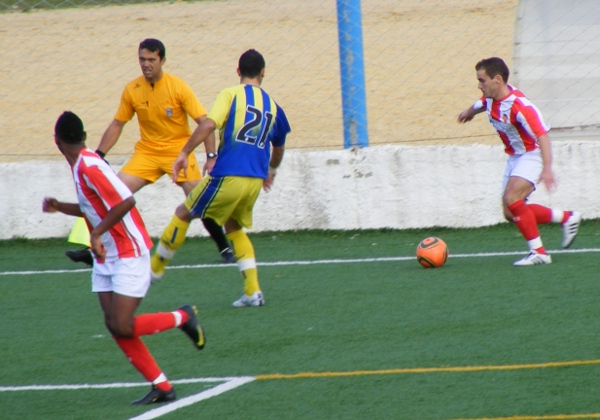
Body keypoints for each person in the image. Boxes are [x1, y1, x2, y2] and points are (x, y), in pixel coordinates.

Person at [43, 111, 206, 405]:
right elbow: (92, 207)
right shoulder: (81, 165)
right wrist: (60, 206)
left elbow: (126, 201)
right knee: (113, 324)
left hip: (128, 251)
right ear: (84, 136)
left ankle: (183, 317)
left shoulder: (90, 166)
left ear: (57, 141)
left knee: (122, 324)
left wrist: (96, 234)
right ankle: (162, 386)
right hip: (107, 255)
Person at [65, 38, 235, 267]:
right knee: (110, 194)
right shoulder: (132, 89)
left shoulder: (178, 87)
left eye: (151, 60)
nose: (146, 64)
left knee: (199, 200)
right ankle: (92, 248)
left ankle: (224, 247)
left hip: (178, 152)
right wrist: (100, 154)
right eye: (142, 59)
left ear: (162, 60)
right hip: (147, 153)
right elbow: (118, 123)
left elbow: (205, 122)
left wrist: (211, 157)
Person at [150, 49, 291, 306]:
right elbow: (279, 147)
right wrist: (271, 171)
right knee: (233, 227)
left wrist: (184, 153)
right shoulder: (274, 106)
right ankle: (252, 292)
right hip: (254, 181)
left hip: (230, 175)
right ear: (263, 73)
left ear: (238, 71)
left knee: (183, 212)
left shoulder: (230, 94)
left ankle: (153, 270)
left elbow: (208, 124)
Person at [457, 57, 581, 266]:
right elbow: (480, 104)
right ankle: (567, 218)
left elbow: (542, 136)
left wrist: (547, 168)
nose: (479, 85)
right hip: (515, 156)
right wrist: (469, 112)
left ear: (497, 79)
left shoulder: (520, 107)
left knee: (512, 197)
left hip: (532, 154)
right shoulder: (489, 98)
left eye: (482, 80)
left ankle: (539, 253)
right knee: (510, 212)